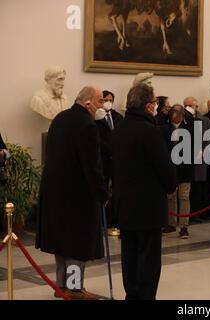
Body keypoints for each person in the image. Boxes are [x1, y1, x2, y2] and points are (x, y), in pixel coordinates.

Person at [35, 86, 110, 300]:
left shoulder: (60, 118)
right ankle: (75, 289)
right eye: (99, 100)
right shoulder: (86, 124)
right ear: (87, 102)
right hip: (77, 195)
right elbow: (91, 165)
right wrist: (102, 194)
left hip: (55, 191)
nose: (102, 105)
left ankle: (62, 287)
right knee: (78, 244)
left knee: (62, 242)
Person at [112, 83, 177, 300]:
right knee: (148, 259)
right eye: (155, 102)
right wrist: (171, 185)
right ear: (149, 106)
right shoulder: (149, 130)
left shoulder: (120, 127)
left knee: (129, 255)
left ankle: (132, 295)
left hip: (125, 204)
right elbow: (163, 165)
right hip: (147, 206)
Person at [163, 104, 194, 238]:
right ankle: (171, 223)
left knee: (184, 197)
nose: (175, 115)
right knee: (170, 197)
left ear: (182, 115)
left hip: (185, 167)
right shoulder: (165, 128)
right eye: (173, 112)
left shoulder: (189, 128)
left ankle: (184, 226)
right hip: (169, 167)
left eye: (178, 113)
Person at [95, 90, 124, 235]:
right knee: (103, 191)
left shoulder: (118, 117)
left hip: (117, 161)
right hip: (103, 160)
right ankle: (102, 222)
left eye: (111, 100)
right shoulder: (96, 118)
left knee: (118, 191)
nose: (108, 102)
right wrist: (111, 150)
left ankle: (117, 221)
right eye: (105, 99)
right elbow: (96, 139)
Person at [184, 97, 210, 222]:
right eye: (188, 105)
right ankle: (189, 214)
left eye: (193, 105)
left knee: (200, 186)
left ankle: (198, 212)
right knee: (189, 188)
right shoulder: (184, 119)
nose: (190, 107)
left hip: (201, 157)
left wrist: (203, 151)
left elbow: (209, 138)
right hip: (187, 158)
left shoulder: (204, 120)